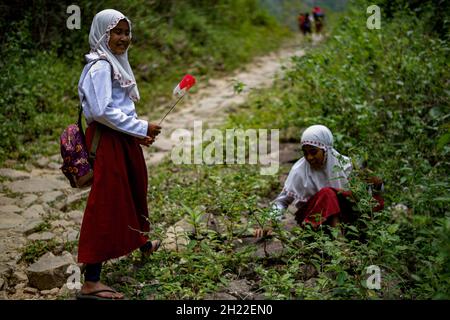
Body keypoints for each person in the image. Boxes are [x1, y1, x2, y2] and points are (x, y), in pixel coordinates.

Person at [76, 9, 162, 300]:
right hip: (107, 142)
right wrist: (141, 126)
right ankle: (91, 279)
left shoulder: (115, 62)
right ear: (103, 34)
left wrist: (138, 133)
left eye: (126, 32)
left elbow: (119, 108)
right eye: (117, 32)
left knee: (135, 187)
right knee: (108, 200)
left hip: (120, 139)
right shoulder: (100, 66)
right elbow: (100, 112)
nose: (123, 38)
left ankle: (140, 241)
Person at [254, 125, 384, 237]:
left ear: (326, 149)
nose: (309, 157)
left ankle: (360, 234)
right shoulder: (299, 170)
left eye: (313, 152)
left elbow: (369, 193)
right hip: (315, 220)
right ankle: (340, 245)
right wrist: (270, 222)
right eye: (305, 153)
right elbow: (282, 201)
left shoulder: (346, 165)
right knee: (327, 194)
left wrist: (376, 184)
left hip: (345, 218)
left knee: (373, 199)